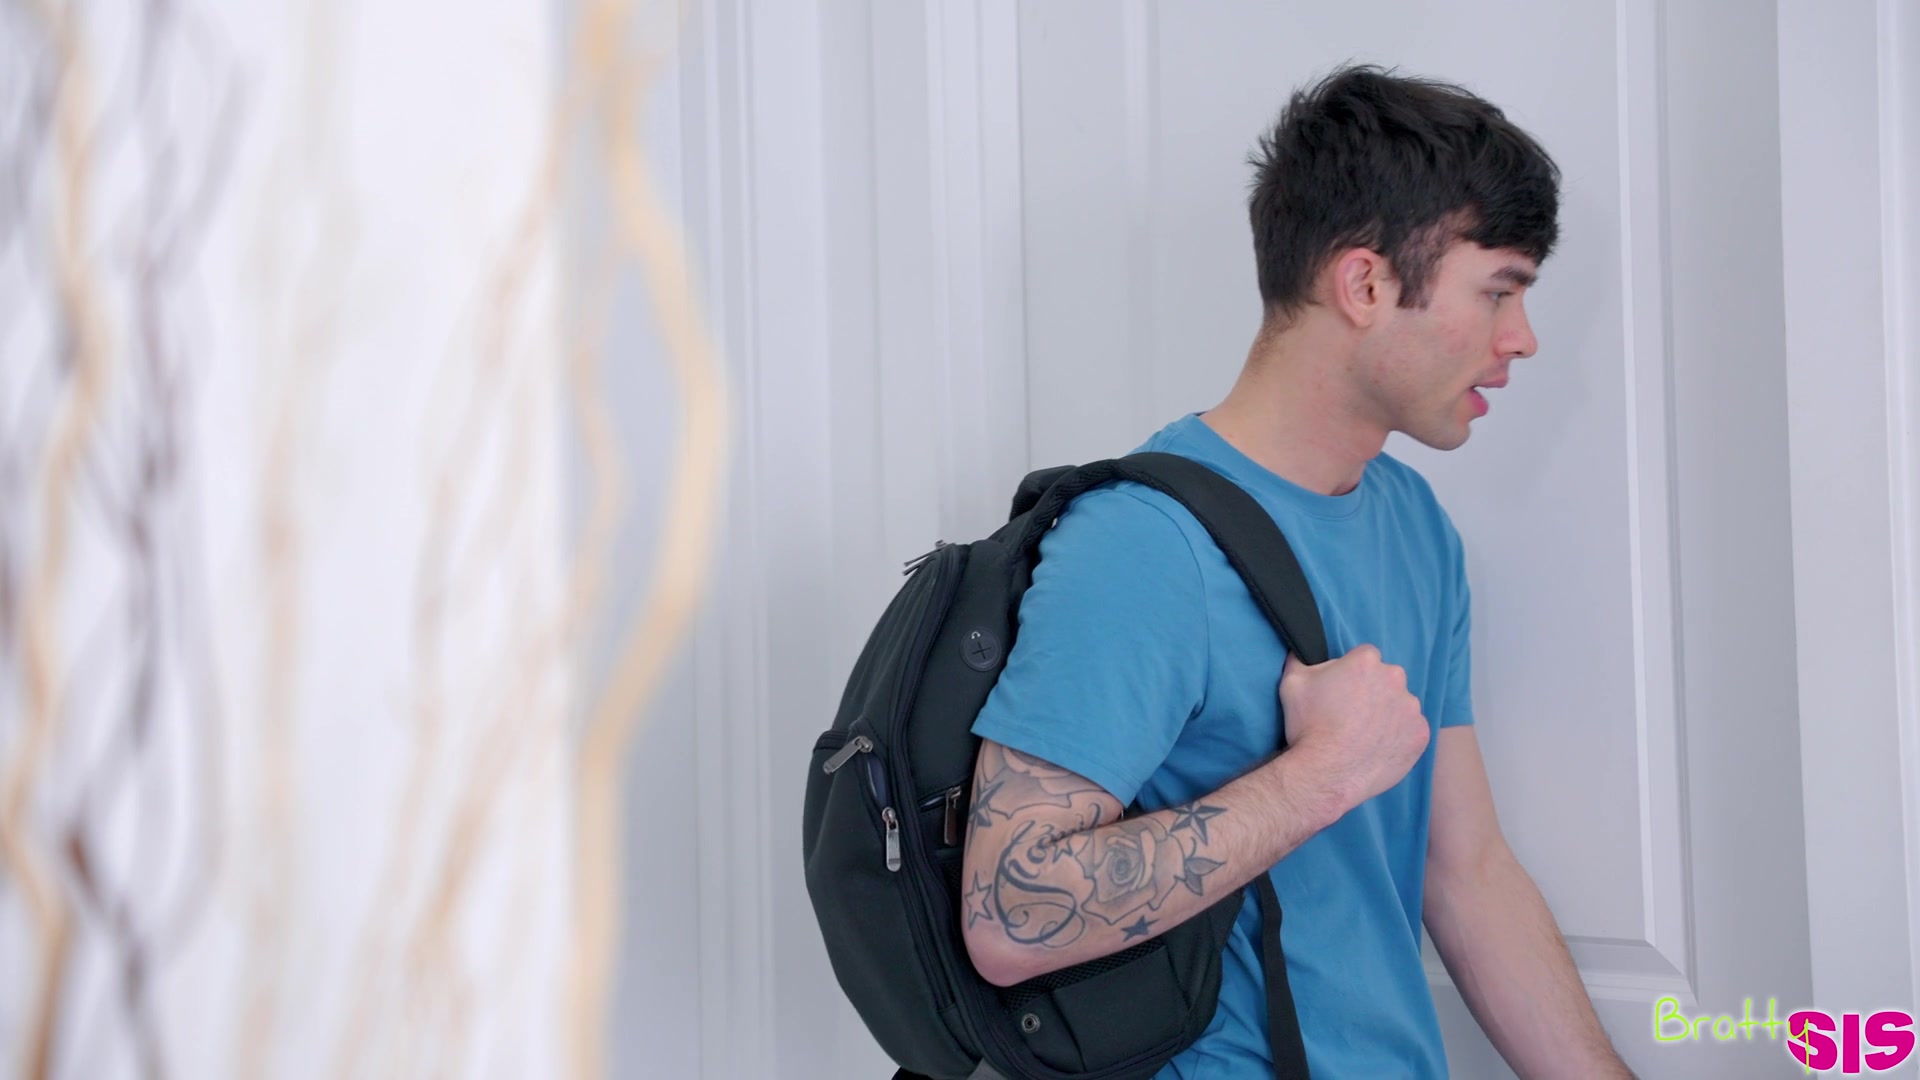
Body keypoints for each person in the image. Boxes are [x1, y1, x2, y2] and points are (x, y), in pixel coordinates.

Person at [958, 64, 1633, 1079]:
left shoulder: (1414, 525)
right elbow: (1010, 912)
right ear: (1365, 285)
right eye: (1498, 291)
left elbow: (1467, 871)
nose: (1522, 340)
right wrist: (1323, 774)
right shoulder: (1143, 543)